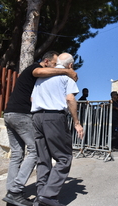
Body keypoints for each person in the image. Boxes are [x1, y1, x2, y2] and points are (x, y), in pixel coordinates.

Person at [2, 51, 77, 206]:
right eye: (54, 64)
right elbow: (39, 72)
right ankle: (16, 190)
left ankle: (12, 192)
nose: (56, 67)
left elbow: (33, 97)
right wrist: (66, 71)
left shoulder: (39, 81)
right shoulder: (35, 69)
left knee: (17, 154)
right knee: (36, 152)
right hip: (22, 115)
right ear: (46, 61)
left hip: (10, 113)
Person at [31, 53, 84, 206]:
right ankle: (48, 196)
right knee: (64, 157)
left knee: (43, 158)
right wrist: (76, 122)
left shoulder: (42, 77)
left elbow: (32, 99)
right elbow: (70, 99)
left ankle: (40, 196)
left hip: (36, 117)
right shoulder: (68, 76)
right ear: (70, 65)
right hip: (54, 117)